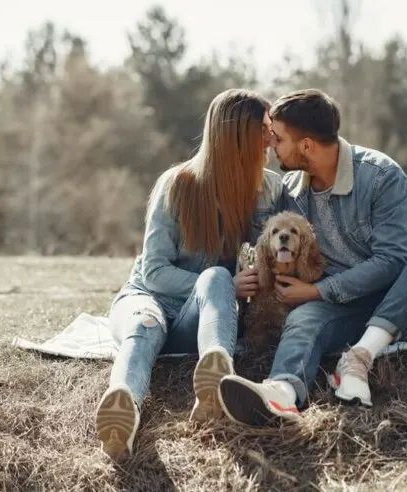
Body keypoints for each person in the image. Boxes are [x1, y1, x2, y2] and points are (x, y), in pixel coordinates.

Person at [217, 88, 407, 426]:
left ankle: (359, 358)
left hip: (402, 305)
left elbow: (393, 260)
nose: (270, 146)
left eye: (277, 139)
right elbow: (265, 238)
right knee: (303, 319)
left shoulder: (382, 176)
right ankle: (281, 391)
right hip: (342, 308)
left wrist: (318, 291)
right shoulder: (291, 191)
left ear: (306, 145)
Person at [94, 88, 281, 460]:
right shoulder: (178, 185)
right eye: (263, 129)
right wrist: (227, 282)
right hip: (149, 299)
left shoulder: (267, 188)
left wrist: (239, 283)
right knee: (143, 326)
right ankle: (123, 410)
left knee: (214, 278)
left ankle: (214, 383)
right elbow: (154, 272)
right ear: (237, 135)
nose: (271, 139)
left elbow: (273, 250)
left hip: (201, 317)